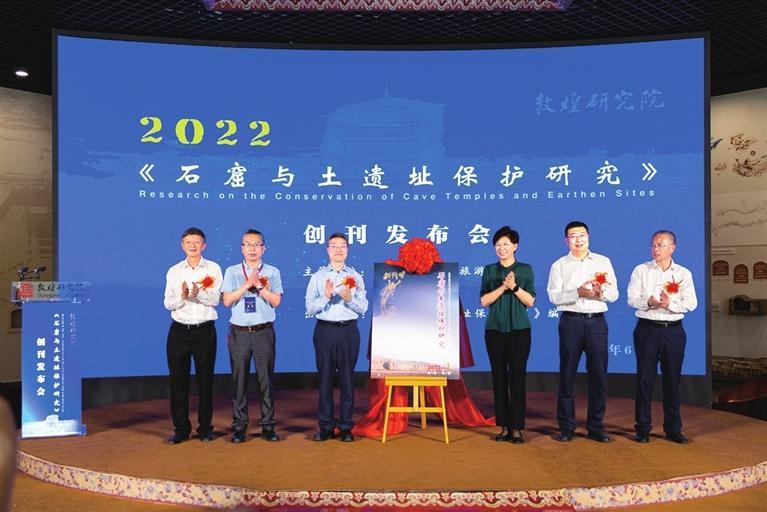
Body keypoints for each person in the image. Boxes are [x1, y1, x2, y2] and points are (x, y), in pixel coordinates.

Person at [547, 221, 618, 443]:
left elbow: (614, 294)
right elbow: (554, 296)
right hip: (571, 322)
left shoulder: (603, 261)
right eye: (573, 236)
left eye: (582, 235)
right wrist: (577, 292)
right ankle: (566, 427)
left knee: (598, 376)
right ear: (566, 240)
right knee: (567, 375)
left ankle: (596, 426)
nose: (578, 240)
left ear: (588, 236)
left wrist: (600, 292)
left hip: (596, 322)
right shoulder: (559, 265)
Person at [627, 230, 697, 444]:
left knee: (672, 380)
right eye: (653, 245)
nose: (656, 249)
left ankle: (673, 429)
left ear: (672, 248)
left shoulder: (683, 273)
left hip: (673, 331)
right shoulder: (641, 270)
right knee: (644, 380)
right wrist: (649, 302)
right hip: (647, 329)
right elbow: (631, 299)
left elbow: (691, 303)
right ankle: (642, 429)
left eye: (661, 245)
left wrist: (669, 304)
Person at [305, 233, 368, 442]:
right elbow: (309, 308)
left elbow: (363, 307)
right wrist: (326, 297)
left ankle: (346, 426)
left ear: (347, 250)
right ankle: (326, 426)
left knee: (347, 379)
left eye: (342, 246)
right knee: (325, 380)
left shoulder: (356, 277)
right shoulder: (318, 277)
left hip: (349, 331)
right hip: (325, 331)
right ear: (327, 250)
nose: (338, 250)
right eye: (334, 246)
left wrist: (349, 299)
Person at [221, 229, 283, 443]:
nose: (252, 248)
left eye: (257, 244)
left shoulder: (273, 272)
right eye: (248, 244)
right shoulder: (232, 271)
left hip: (264, 332)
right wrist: (247, 285)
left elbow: (276, 301)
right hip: (240, 333)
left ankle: (268, 426)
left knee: (266, 381)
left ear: (263, 248)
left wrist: (260, 287)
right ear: (242, 248)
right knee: (239, 381)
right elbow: (227, 301)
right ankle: (239, 426)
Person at [163, 227, 222, 444]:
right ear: (182, 245)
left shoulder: (213, 268)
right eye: (188, 242)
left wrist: (200, 294)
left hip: (205, 331)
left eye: (197, 242)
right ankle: (181, 429)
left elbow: (216, 299)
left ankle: (205, 428)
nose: (193, 246)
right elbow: (168, 303)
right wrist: (183, 297)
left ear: (204, 245)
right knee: (178, 383)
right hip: (179, 331)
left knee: (205, 382)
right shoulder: (174, 271)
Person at [480, 227, 536, 444]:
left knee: (517, 378)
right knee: (499, 378)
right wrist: (503, 288)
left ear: (515, 246)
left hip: (519, 331)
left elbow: (530, 301)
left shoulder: (525, 269)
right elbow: (484, 301)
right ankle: (503, 426)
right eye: (498, 245)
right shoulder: (489, 270)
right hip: (494, 330)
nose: (501, 248)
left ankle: (517, 428)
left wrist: (514, 287)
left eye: (505, 244)